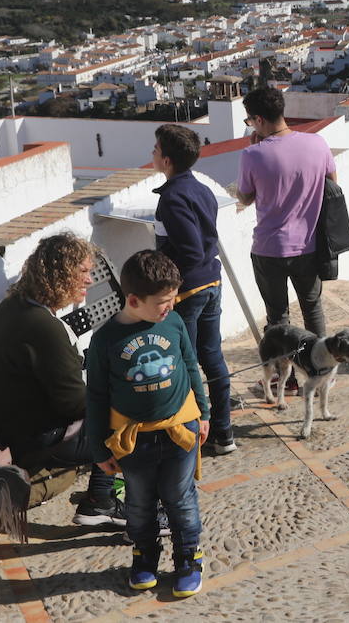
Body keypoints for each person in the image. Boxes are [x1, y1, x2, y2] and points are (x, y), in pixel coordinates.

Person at [0, 232, 122, 527]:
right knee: (136, 424)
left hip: (16, 424)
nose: (89, 280)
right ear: (60, 275)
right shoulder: (42, 326)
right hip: (35, 436)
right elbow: (72, 404)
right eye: (82, 272)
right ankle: (110, 505)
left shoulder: (16, 306)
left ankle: (100, 500)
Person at [85, 251, 209, 597]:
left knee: (180, 498)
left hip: (180, 432)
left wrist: (205, 411)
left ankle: (188, 558)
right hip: (133, 440)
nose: (169, 308)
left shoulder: (173, 323)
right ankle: (144, 557)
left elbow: (189, 362)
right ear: (134, 300)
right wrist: (98, 447)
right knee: (139, 502)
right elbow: (95, 396)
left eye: (173, 300)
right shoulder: (105, 340)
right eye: (163, 302)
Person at [237, 87, 338, 391]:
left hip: (269, 249)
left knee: (278, 319)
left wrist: (258, 147)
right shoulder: (317, 143)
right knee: (313, 310)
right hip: (309, 245)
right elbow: (332, 184)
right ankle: (322, 375)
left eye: (250, 121)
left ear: (258, 119)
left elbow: (245, 196)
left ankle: (287, 380)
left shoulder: (252, 154)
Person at [152, 124, 235, 457]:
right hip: (212, 282)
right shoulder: (200, 189)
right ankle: (223, 433)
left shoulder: (172, 198)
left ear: (168, 160)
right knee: (211, 357)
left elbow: (189, 250)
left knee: (184, 363)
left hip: (188, 292)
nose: (152, 154)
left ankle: (190, 435)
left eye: (156, 150)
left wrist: (167, 281)